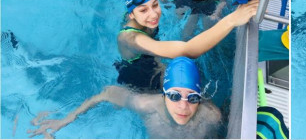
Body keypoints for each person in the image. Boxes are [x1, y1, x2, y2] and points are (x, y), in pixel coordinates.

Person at [29, 57, 222, 139]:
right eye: (174, 96)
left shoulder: (211, 116)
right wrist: (65, 120)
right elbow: (107, 93)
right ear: (164, 95)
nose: (183, 106)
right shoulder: (145, 104)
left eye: (193, 98)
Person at [115, 0, 258, 91]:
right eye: (143, 10)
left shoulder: (140, 19)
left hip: (149, 57)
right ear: (131, 15)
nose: (153, 14)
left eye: (155, 5)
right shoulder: (130, 39)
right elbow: (187, 51)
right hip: (139, 79)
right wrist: (232, 20)